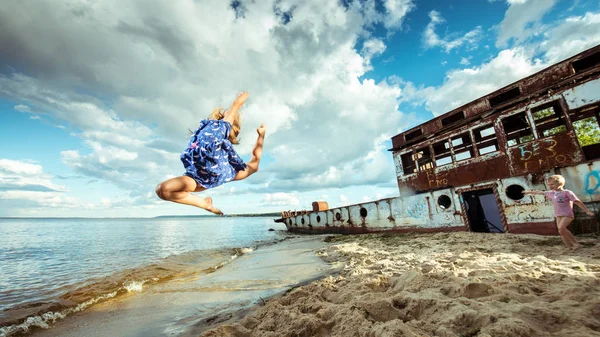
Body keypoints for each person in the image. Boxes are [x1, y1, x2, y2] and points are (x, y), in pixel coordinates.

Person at [155, 92, 265, 215]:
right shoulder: (206, 133)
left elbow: (236, 104)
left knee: (253, 166)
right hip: (198, 178)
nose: (228, 113)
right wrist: (261, 135)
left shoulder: (222, 127)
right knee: (163, 190)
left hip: (216, 172)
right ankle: (204, 204)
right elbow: (254, 164)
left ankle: (204, 203)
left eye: (228, 114)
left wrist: (245, 94)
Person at [523, 174, 594, 250]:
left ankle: (576, 244)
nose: (550, 186)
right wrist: (528, 192)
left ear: (560, 184)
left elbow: (577, 202)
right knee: (561, 231)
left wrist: (587, 211)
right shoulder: (552, 193)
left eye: (552, 184)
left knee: (561, 228)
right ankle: (569, 246)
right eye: (549, 185)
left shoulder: (567, 192)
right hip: (558, 215)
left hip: (567, 214)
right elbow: (540, 192)